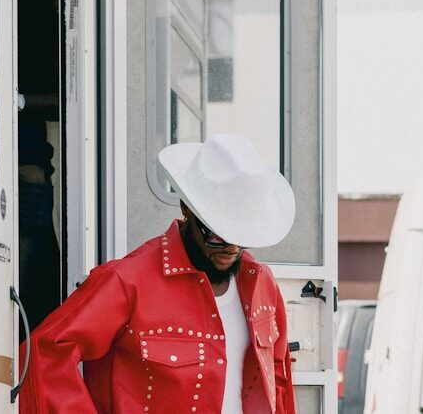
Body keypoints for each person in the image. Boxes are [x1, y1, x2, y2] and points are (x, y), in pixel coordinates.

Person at [19, 134, 297, 413]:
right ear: (187, 208)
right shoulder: (128, 281)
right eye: (218, 234)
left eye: (243, 235)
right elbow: (44, 354)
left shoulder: (262, 284)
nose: (232, 248)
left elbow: (278, 380)